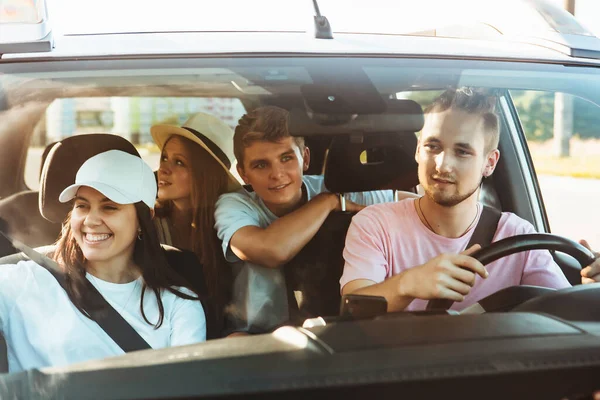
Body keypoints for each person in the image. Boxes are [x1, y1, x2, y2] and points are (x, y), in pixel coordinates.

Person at [340, 87, 600, 313]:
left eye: (462, 152)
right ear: (418, 150)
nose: (442, 164)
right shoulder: (375, 224)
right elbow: (353, 309)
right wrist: (410, 283)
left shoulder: (517, 236)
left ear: (489, 163)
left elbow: (560, 311)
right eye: (433, 146)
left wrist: (590, 290)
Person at [214, 105, 417, 334]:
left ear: (306, 158)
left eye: (286, 158)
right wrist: (328, 202)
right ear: (243, 173)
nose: (277, 174)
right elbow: (271, 251)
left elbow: (413, 203)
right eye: (261, 164)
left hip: (329, 330)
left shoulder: (335, 186)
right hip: (256, 336)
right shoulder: (234, 205)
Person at [0, 150, 206, 373]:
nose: (91, 220)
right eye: (82, 205)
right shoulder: (23, 281)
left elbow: (184, 386)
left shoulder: (178, 306)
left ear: (144, 218)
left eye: (109, 207)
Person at [151, 113, 240, 335]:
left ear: (205, 174)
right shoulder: (148, 224)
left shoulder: (230, 228)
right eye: (164, 158)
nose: (163, 169)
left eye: (179, 162)